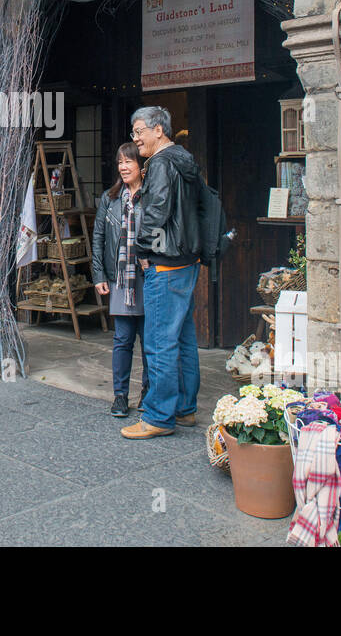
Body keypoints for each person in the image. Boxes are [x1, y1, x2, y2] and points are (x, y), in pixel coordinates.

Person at [122, 105, 202, 440]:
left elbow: (155, 211)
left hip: (165, 262)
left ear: (159, 130)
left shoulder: (160, 164)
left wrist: (140, 249)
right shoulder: (185, 160)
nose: (136, 138)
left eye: (140, 130)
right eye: (134, 132)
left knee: (159, 341)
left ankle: (158, 416)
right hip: (187, 262)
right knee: (183, 338)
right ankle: (184, 409)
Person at [91, 142, 149, 418]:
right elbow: (99, 237)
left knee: (149, 341)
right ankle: (120, 396)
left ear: (141, 165)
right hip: (120, 280)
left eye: (129, 162)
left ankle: (148, 393)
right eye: (120, 163)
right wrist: (98, 274)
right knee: (123, 338)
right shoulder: (110, 198)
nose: (124, 167)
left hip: (147, 277)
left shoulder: (152, 195)